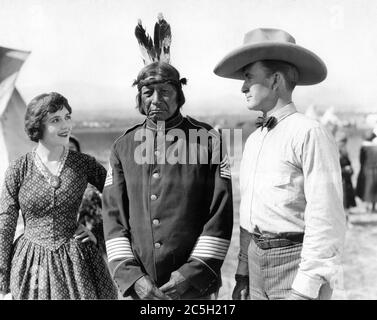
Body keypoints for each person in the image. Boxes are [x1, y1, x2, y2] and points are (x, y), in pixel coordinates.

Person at [214, 28, 346, 300]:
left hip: (294, 266)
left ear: (275, 81)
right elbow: (249, 213)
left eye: (249, 77)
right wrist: (242, 273)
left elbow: (327, 218)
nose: (242, 87)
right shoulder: (253, 141)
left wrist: (305, 289)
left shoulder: (310, 133)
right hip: (255, 262)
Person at [101, 61, 233, 300]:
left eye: (165, 91)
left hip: (194, 290)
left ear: (178, 96)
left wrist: (190, 274)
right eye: (148, 92)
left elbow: (220, 216)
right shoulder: (123, 146)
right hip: (141, 290)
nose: (155, 99)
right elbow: (113, 217)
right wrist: (133, 278)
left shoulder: (208, 141)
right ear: (140, 99)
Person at [0, 92, 118, 299]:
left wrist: (98, 234)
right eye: (56, 120)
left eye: (67, 117)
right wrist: (2, 273)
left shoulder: (84, 163)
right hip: (31, 263)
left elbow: (117, 198)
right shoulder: (18, 169)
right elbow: (5, 222)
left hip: (77, 261)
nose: (66, 125)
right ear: (38, 126)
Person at [335, 131, 356, 220]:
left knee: (347, 202)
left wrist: (350, 170)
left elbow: (349, 163)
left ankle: (347, 219)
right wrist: (344, 170)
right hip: (340, 180)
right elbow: (334, 169)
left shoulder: (344, 152)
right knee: (342, 201)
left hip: (346, 179)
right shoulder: (335, 152)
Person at [356, 130, 377, 212]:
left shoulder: (364, 148)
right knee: (375, 189)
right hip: (376, 170)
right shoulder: (375, 147)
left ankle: (367, 207)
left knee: (367, 188)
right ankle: (373, 207)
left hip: (367, 170)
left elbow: (361, 161)